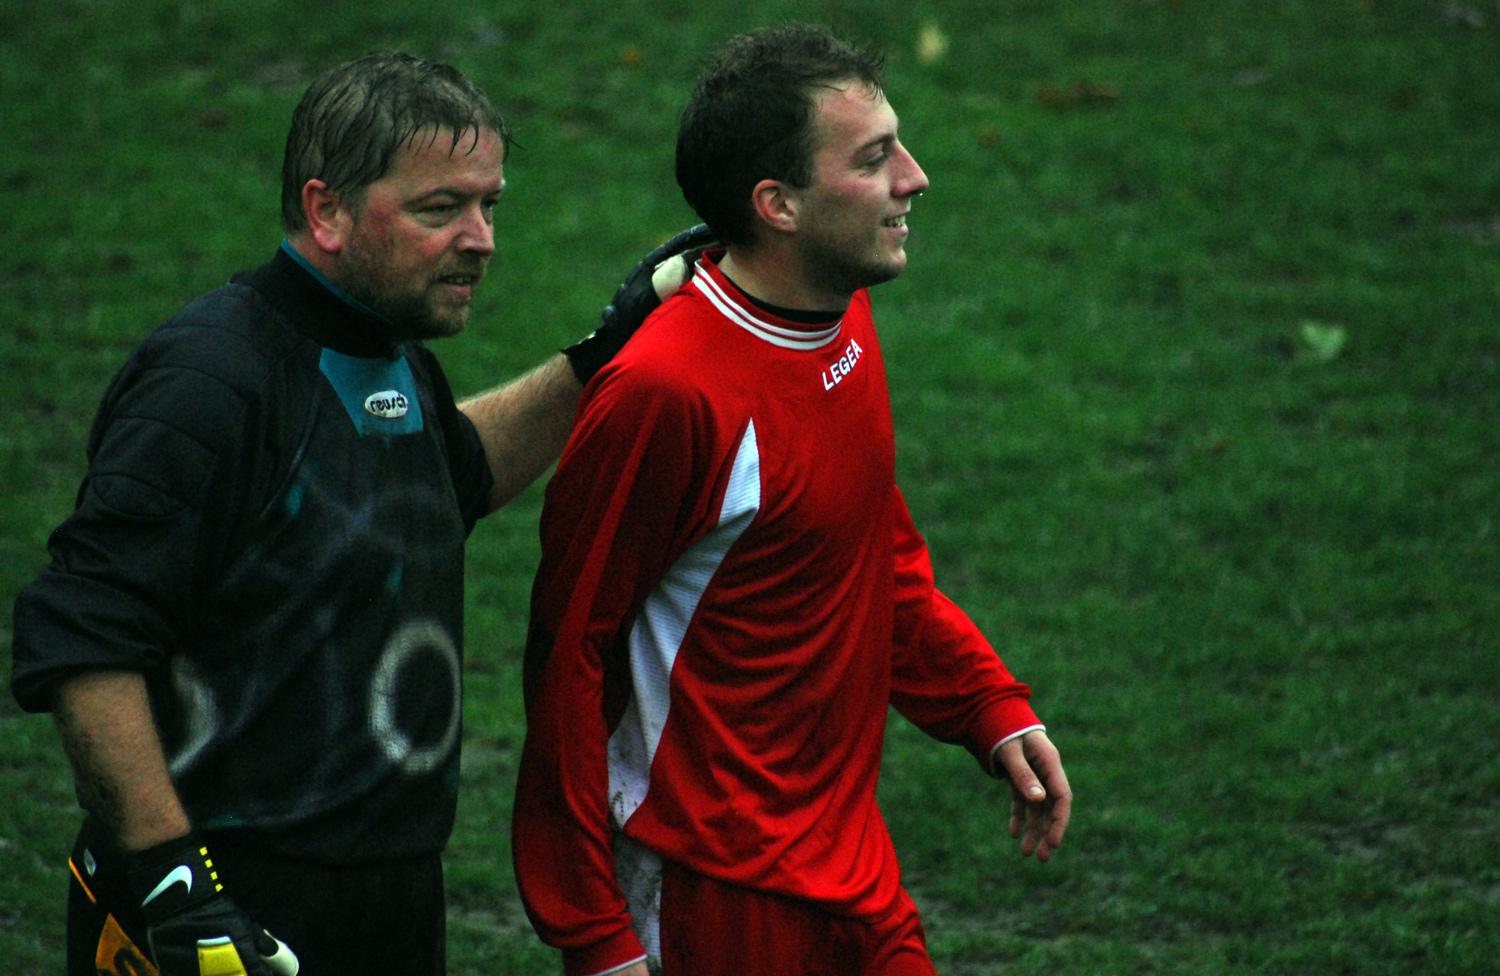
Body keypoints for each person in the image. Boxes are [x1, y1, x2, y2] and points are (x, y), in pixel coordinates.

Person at [9, 50, 708, 976]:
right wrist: (175, 882)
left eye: (489, 205)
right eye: (441, 208)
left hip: (388, 897)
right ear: (327, 210)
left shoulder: (388, 353)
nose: (482, 239)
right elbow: (86, 640)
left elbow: (448, 477)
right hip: (222, 899)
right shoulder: (209, 382)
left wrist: (602, 351)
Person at [511, 23, 1073, 976]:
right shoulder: (666, 395)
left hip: (850, 868)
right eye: (874, 158)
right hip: (709, 888)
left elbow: (870, 551)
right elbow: (570, 657)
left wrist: (988, 704)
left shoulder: (840, 314)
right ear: (778, 206)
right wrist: (593, 929)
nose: (916, 178)